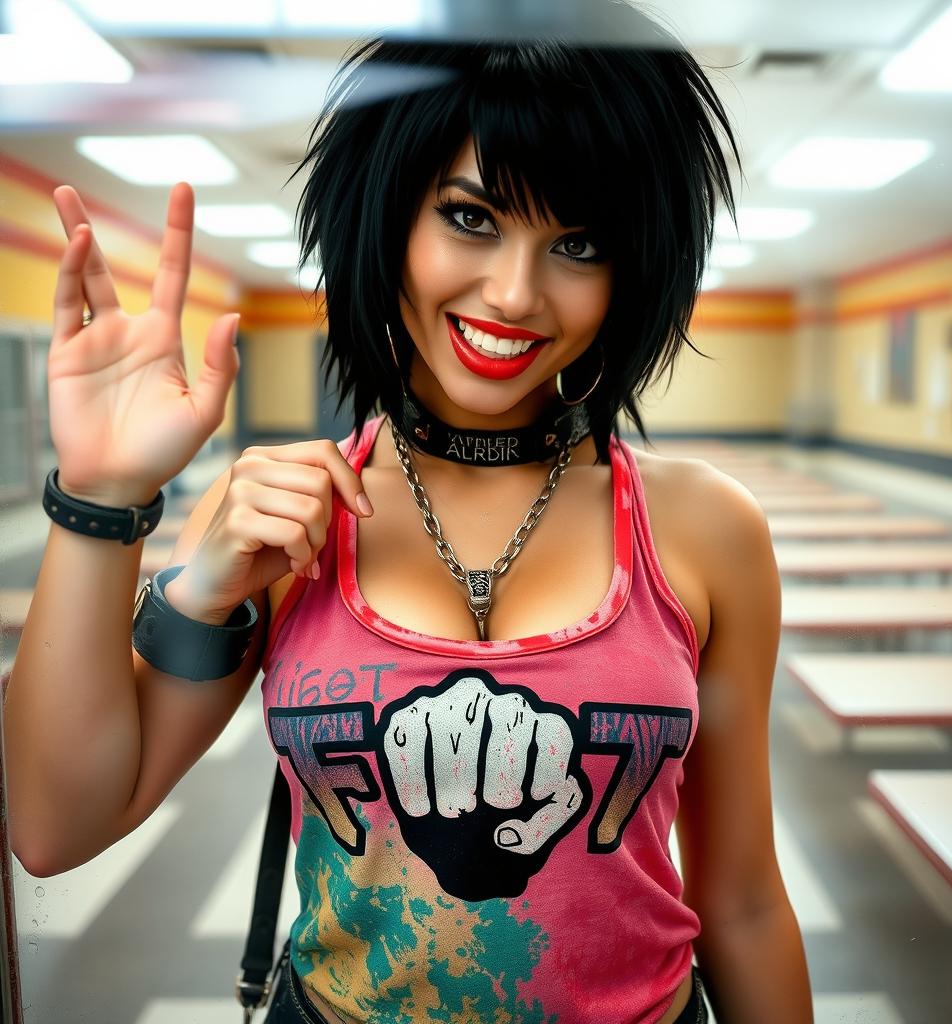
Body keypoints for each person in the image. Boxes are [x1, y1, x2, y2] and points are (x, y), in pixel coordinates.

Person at [5, 21, 814, 1024]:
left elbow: (737, 902)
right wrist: (102, 497)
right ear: (388, 217)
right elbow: (53, 826)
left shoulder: (703, 529)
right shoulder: (279, 517)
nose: (515, 293)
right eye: (470, 219)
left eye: (576, 244)